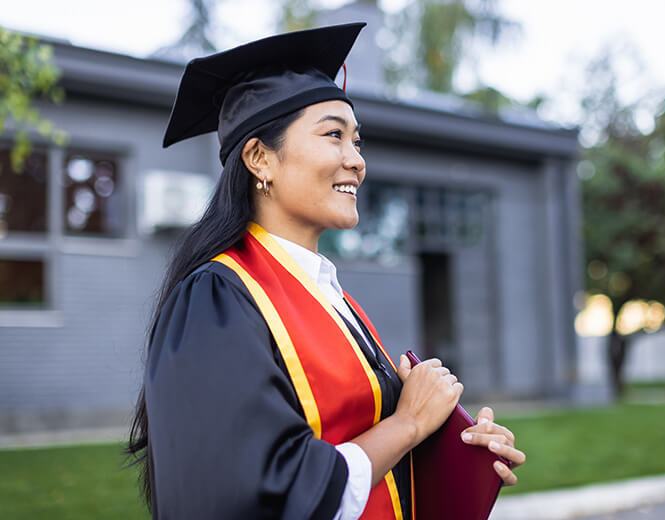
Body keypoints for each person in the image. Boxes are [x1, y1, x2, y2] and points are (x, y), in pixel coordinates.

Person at [126, 21, 526, 519]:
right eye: (333, 135)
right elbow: (255, 492)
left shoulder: (330, 299)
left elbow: (354, 453)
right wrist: (407, 425)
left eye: (357, 142)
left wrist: (451, 446)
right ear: (258, 158)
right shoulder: (218, 300)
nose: (356, 161)